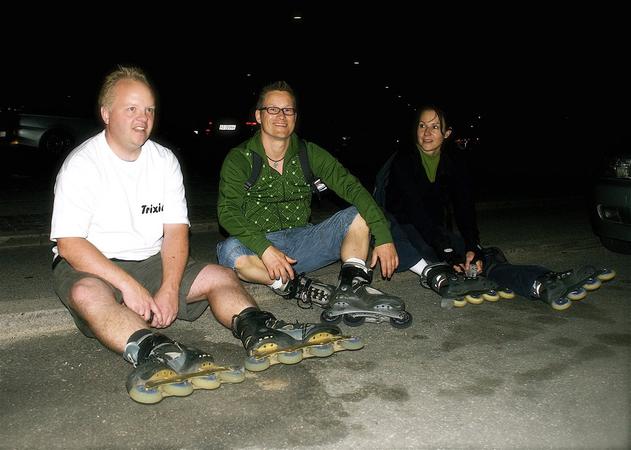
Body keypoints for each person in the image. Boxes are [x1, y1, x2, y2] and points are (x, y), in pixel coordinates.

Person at [50, 67, 361, 404]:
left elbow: (175, 233)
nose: (143, 118)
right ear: (106, 113)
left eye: (149, 109)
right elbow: (70, 245)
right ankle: (157, 350)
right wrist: (129, 287)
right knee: (86, 292)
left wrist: (170, 288)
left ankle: (259, 328)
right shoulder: (82, 164)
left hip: (151, 259)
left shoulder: (164, 161)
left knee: (220, 275)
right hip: (94, 265)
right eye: (131, 109)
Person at [377, 104, 615, 311]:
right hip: (401, 229)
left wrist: (472, 246)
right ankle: (444, 277)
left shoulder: (454, 162)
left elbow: (464, 207)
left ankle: (540, 282)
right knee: (441, 251)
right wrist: (447, 252)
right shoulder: (404, 160)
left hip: (433, 230)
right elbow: (415, 212)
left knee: (482, 259)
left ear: (447, 133)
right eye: (422, 126)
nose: (427, 132)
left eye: (435, 127)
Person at [216, 81, 411, 327]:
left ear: (295, 117)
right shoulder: (240, 158)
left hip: (304, 243)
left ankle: (352, 286)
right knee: (230, 252)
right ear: (258, 115)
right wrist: (265, 249)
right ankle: (297, 286)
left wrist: (383, 236)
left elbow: (353, 188)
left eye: (288, 110)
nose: (281, 116)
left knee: (358, 214)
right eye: (273, 109)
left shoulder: (309, 153)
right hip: (260, 250)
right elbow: (227, 211)